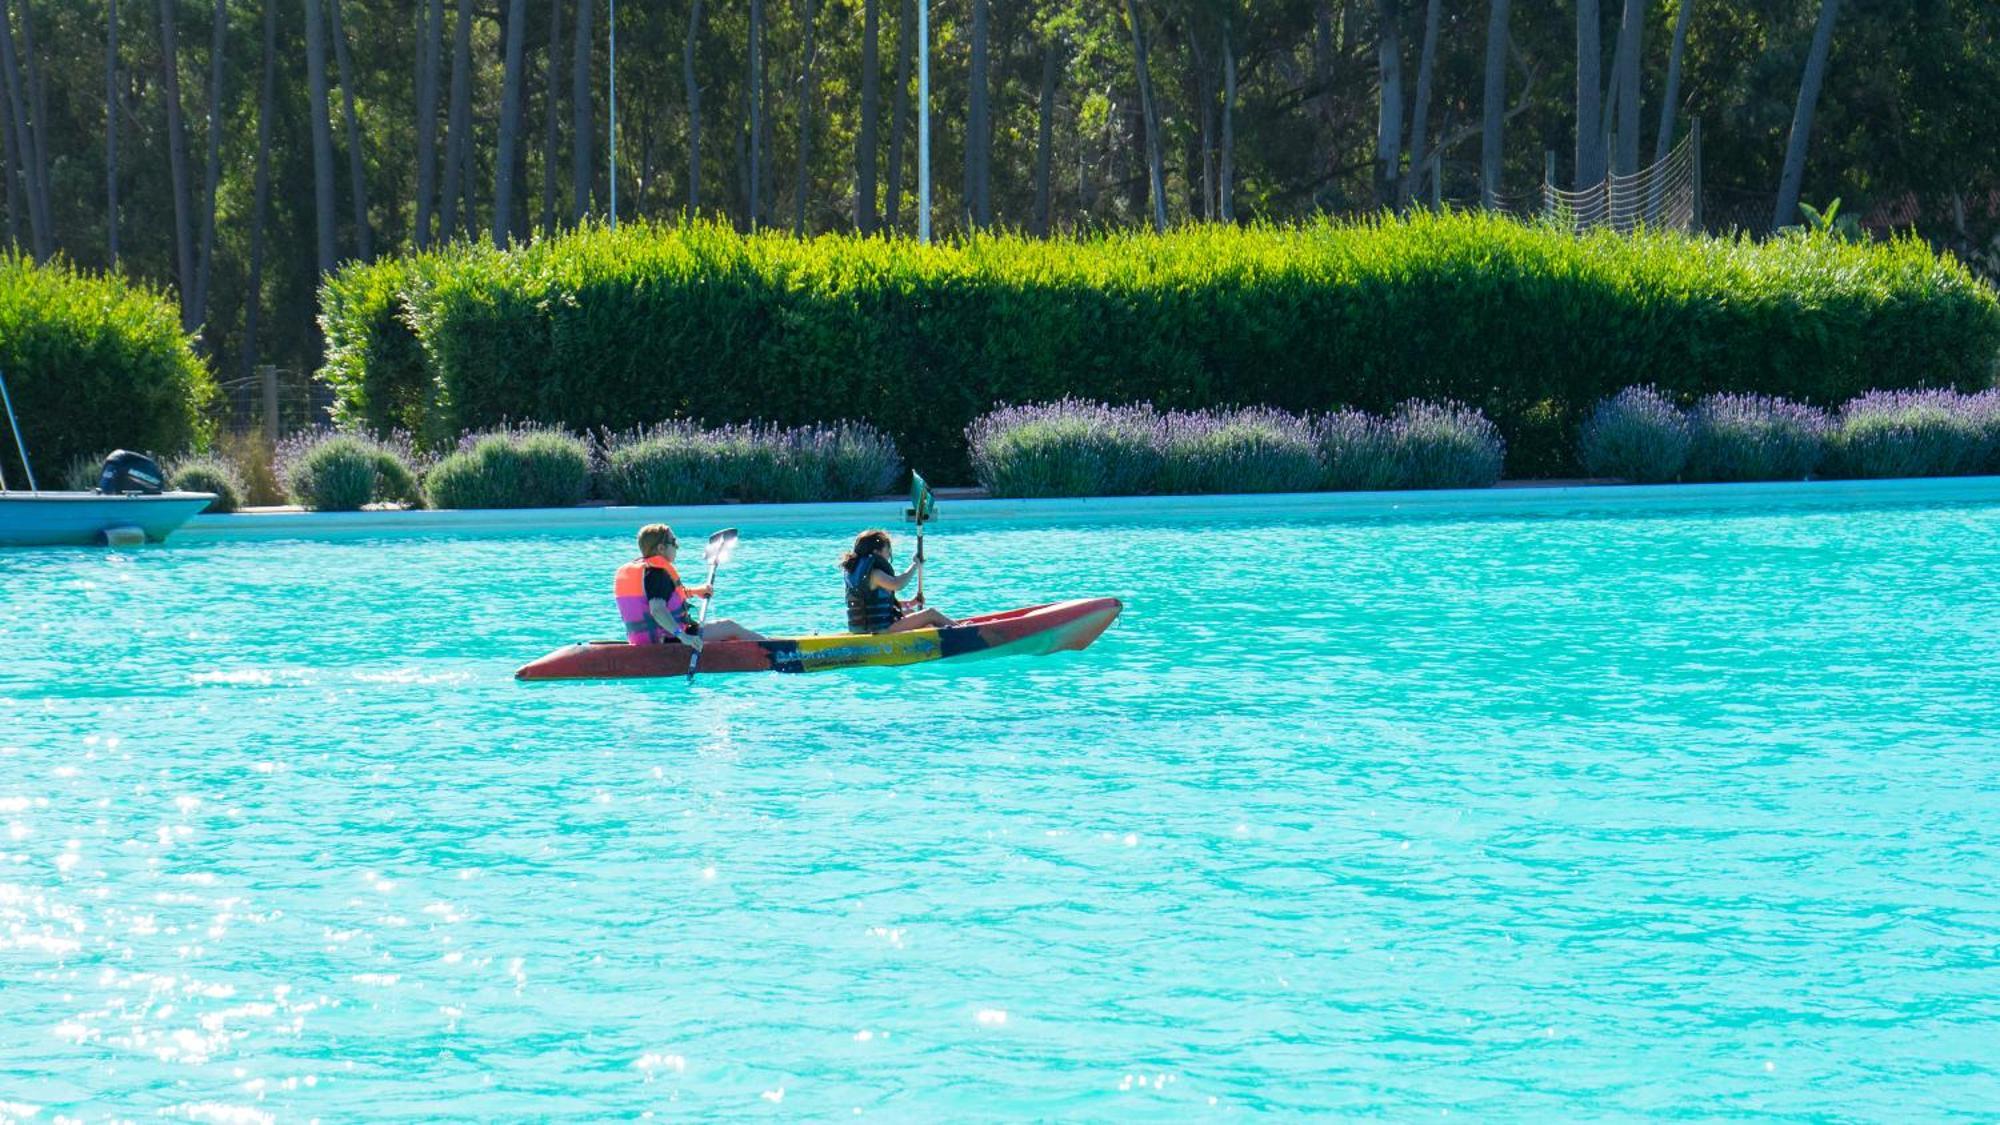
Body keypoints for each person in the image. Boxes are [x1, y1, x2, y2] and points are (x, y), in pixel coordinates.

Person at [613, 524, 760, 650]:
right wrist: (683, 636)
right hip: (670, 640)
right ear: (661, 548)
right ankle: (776, 648)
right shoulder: (658, 574)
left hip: (645, 641)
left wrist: (695, 591)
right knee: (730, 627)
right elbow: (657, 609)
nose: (677, 546)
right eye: (673, 541)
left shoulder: (647, 572)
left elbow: (666, 596)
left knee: (725, 633)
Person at [840, 529, 954, 634]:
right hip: (880, 630)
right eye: (887, 550)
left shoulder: (853, 573)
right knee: (931, 614)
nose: (889, 554)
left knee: (911, 613)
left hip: (862, 630)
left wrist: (911, 603)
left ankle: (951, 628)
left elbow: (876, 604)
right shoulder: (875, 574)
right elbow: (897, 584)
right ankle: (963, 631)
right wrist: (915, 565)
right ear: (876, 552)